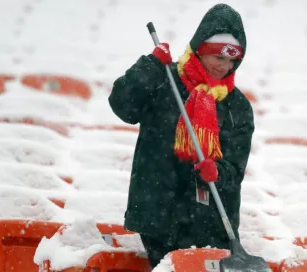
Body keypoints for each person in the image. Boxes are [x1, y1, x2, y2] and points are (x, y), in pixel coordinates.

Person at [108, 3, 254, 268]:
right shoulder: (164, 80)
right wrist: (149, 66)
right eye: (218, 57)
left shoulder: (237, 106)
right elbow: (123, 106)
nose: (224, 66)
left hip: (211, 223)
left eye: (232, 60)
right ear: (199, 50)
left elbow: (236, 166)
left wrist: (218, 172)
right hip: (158, 212)